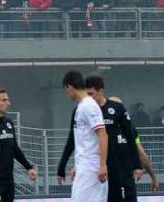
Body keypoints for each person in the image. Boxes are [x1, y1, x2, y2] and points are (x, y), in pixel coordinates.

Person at [73, 75, 141, 202]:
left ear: (101, 91)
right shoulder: (85, 109)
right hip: (93, 164)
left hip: (115, 163)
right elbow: (79, 140)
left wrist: (137, 165)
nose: (89, 97)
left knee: (116, 197)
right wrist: (77, 165)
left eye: (91, 93)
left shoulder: (116, 108)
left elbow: (131, 137)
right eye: (86, 94)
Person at [58, 71, 109, 202]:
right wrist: (78, 166)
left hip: (91, 168)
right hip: (84, 167)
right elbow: (86, 139)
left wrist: (102, 165)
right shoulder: (81, 107)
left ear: (69, 87)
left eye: (66, 90)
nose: (67, 94)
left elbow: (103, 135)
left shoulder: (88, 106)